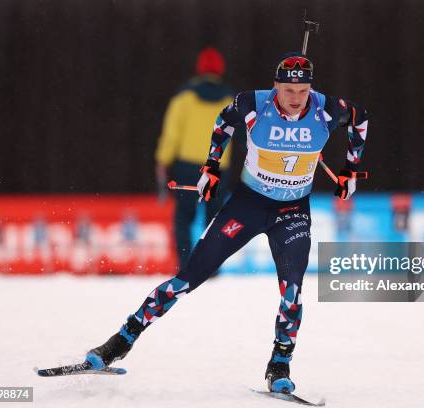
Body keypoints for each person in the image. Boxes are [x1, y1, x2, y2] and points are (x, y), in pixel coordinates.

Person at [86, 52, 370, 394]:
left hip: (292, 212)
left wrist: (350, 169)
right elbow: (223, 122)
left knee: (292, 292)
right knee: (186, 279)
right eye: (289, 91)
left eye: (303, 91)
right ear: (275, 85)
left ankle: (279, 364)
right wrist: (211, 167)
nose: (296, 99)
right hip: (247, 205)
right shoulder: (254, 104)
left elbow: (360, 118)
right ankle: (120, 342)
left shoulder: (325, 109)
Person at [155, 46, 234, 271]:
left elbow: (171, 134)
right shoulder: (230, 100)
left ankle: (185, 266)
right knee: (214, 221)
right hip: (218, 166)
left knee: (184, 218)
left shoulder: (184, 99)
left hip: (188, 166)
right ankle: (211, 268)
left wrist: (162, 160)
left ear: (199, 69)